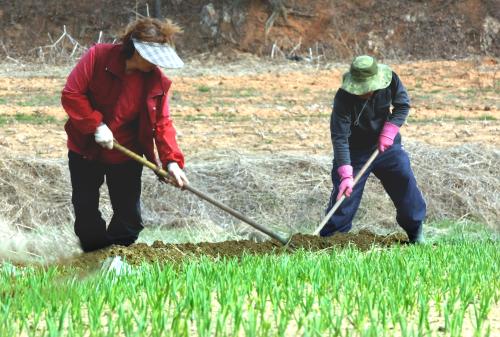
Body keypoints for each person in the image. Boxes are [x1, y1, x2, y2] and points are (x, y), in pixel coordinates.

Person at [61, 18, 189, 252]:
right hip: (85, 150)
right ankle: (94, 256)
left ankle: (113, 257)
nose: (156, 64)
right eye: (152, 57)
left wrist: (172, 162)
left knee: (129, 222)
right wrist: (96, 125)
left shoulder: (156, 81)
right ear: (136, 50)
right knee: (86, 214)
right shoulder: (98, 57)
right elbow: (71, 94)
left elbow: (162, 124)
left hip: (126, 154)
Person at [319, 55, 426, 243]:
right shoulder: (343, 98)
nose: (365, 92)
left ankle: (415, 232)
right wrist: (345, 173)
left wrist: (389, 131)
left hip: (386, 146)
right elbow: (340, 137)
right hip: (354, 152)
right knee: (344, 199)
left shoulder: (390, 80)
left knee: (404, 178)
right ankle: (330, 241)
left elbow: (402, 106)